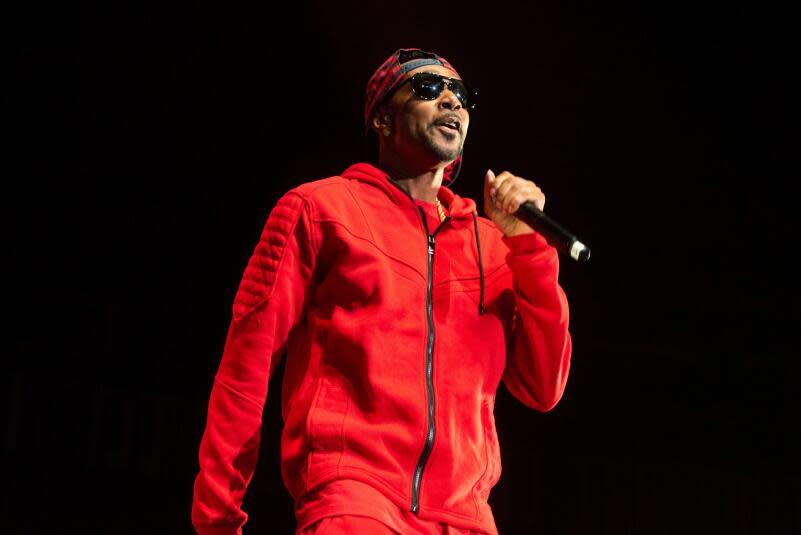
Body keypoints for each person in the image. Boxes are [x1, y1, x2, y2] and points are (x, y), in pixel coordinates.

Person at [191, 48, 573, 535]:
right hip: (355, 501)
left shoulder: (493, 246)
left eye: (462, 96)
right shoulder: (320, 209)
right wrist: (218, 517)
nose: (452, 104)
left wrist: (531, 251)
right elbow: (247, 365)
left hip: (468, 520)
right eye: (430, 89)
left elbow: (543, 388)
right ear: (383, 120)